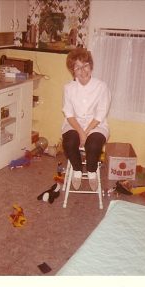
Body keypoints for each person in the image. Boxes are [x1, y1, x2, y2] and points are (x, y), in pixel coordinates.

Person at [61, 48, 111, 191]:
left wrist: (86, 131)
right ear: (73, 71)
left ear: (91, 65)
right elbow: (69, 113)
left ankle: (91, 171)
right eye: (77, 67)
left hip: (96, 124)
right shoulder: (68, 88)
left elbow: (101, 114)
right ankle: (77, 170)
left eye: (85, 65)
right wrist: (80, 132)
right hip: (74, 123)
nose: (83, 71)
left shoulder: (101, 87)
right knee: (69, 142)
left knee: (94, 145)